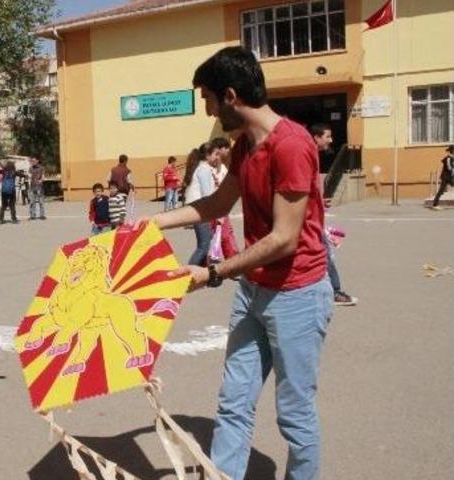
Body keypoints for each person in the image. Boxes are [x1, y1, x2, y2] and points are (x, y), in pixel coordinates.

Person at [137, 47, 332, 480]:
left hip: (296, 294)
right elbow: (217, 203)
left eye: (207, 99)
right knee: (234, 401)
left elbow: (284, 238)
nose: (206, 109)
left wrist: (210, 273)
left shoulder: (293, 146)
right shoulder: (245, 148)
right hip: (254, 292)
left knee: (295, 414)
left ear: (230, 95)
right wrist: (153, 223)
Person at [310, 123, 357, 306]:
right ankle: (335, 292)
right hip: (310, 220)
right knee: (326, 255)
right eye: (327, 136)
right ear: (317, 137)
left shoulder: (314, 156)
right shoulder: (308, 156)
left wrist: (320, 203)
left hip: (314, 218)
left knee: (323, 255)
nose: (331, 140)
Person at [185, 142, 218, 266]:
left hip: (199, 210)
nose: (218, 157)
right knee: (203, 247)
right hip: (200, 211)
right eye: (216, 154)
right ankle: (187, 275)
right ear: (207, 155)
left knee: (206, 241)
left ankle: (202, 272)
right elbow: (207, 194)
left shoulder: (202, 168)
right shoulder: (203, 169)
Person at [209, 138, 239, 261]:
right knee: (222, 235)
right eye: (225, 148)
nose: (227, 151)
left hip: (221, 207)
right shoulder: (208, 169)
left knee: (226, 233)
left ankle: (232, 257)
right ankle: (230, 260)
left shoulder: (223, 168)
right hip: (215, 207)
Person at [430, 144, 454, 210]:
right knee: (441, 190)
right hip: (446, 177)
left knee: (441, 191)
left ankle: (435, 204)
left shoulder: (451, 158)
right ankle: (435, 204)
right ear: (452, 151)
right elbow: (449, 168)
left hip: (449, 176)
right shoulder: (448, 158)